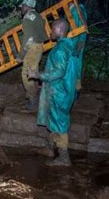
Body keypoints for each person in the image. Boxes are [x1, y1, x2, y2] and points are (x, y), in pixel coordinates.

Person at [27, 19, 77, 166]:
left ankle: (64, 157)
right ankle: (50, 148)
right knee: (53, 119)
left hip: (59, 91)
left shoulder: (61, 50)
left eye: (53, 29)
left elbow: (59, 72)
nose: (50, 32)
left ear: (60, 30)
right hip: (62, 88)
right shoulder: (68, 46)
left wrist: (38, 75)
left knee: (59, 122)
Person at [18, 0, 48, 111]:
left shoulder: (27, 18)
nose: (21, 9)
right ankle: (35, 96)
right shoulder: (39, 16)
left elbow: (28, 39)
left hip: (32, 48)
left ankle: (32, 99)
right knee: (33, 72)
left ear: (26, 6)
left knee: (26, 74)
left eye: (22, 7)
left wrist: (21, 55)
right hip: (39, 47)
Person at [61, 0, 88, 93]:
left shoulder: (78, 10)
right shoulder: (69, 10)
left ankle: (75, 91)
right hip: (69, 43)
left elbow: (82, 27)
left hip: (76, 43)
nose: (62, 2)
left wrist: (80, 43)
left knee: (75, 66)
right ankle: (69, 90)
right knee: (69, 67)